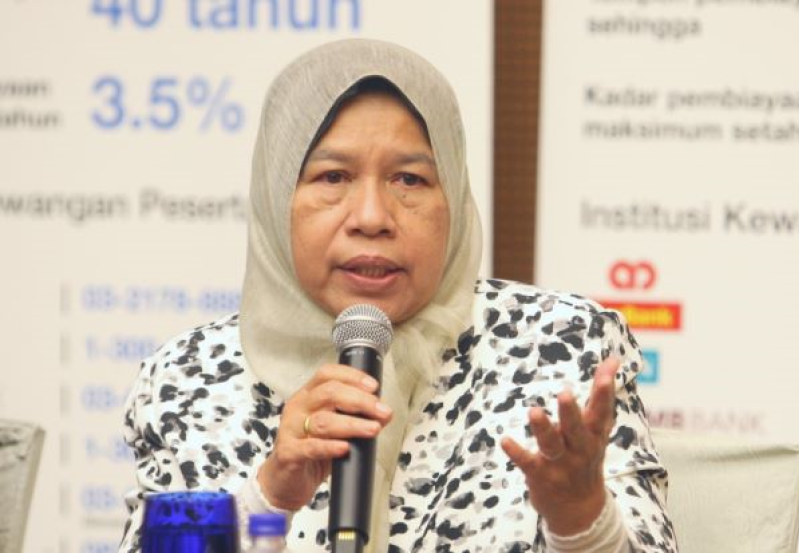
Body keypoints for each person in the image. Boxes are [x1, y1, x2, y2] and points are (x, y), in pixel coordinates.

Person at [118, 39, 677, 552]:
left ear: (453, 196)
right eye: (333, 177)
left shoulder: (560, 346)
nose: (371, 217)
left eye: (409, 180)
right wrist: (266, 498)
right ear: (276, 195)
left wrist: (582, 520)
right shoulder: (185, 378)